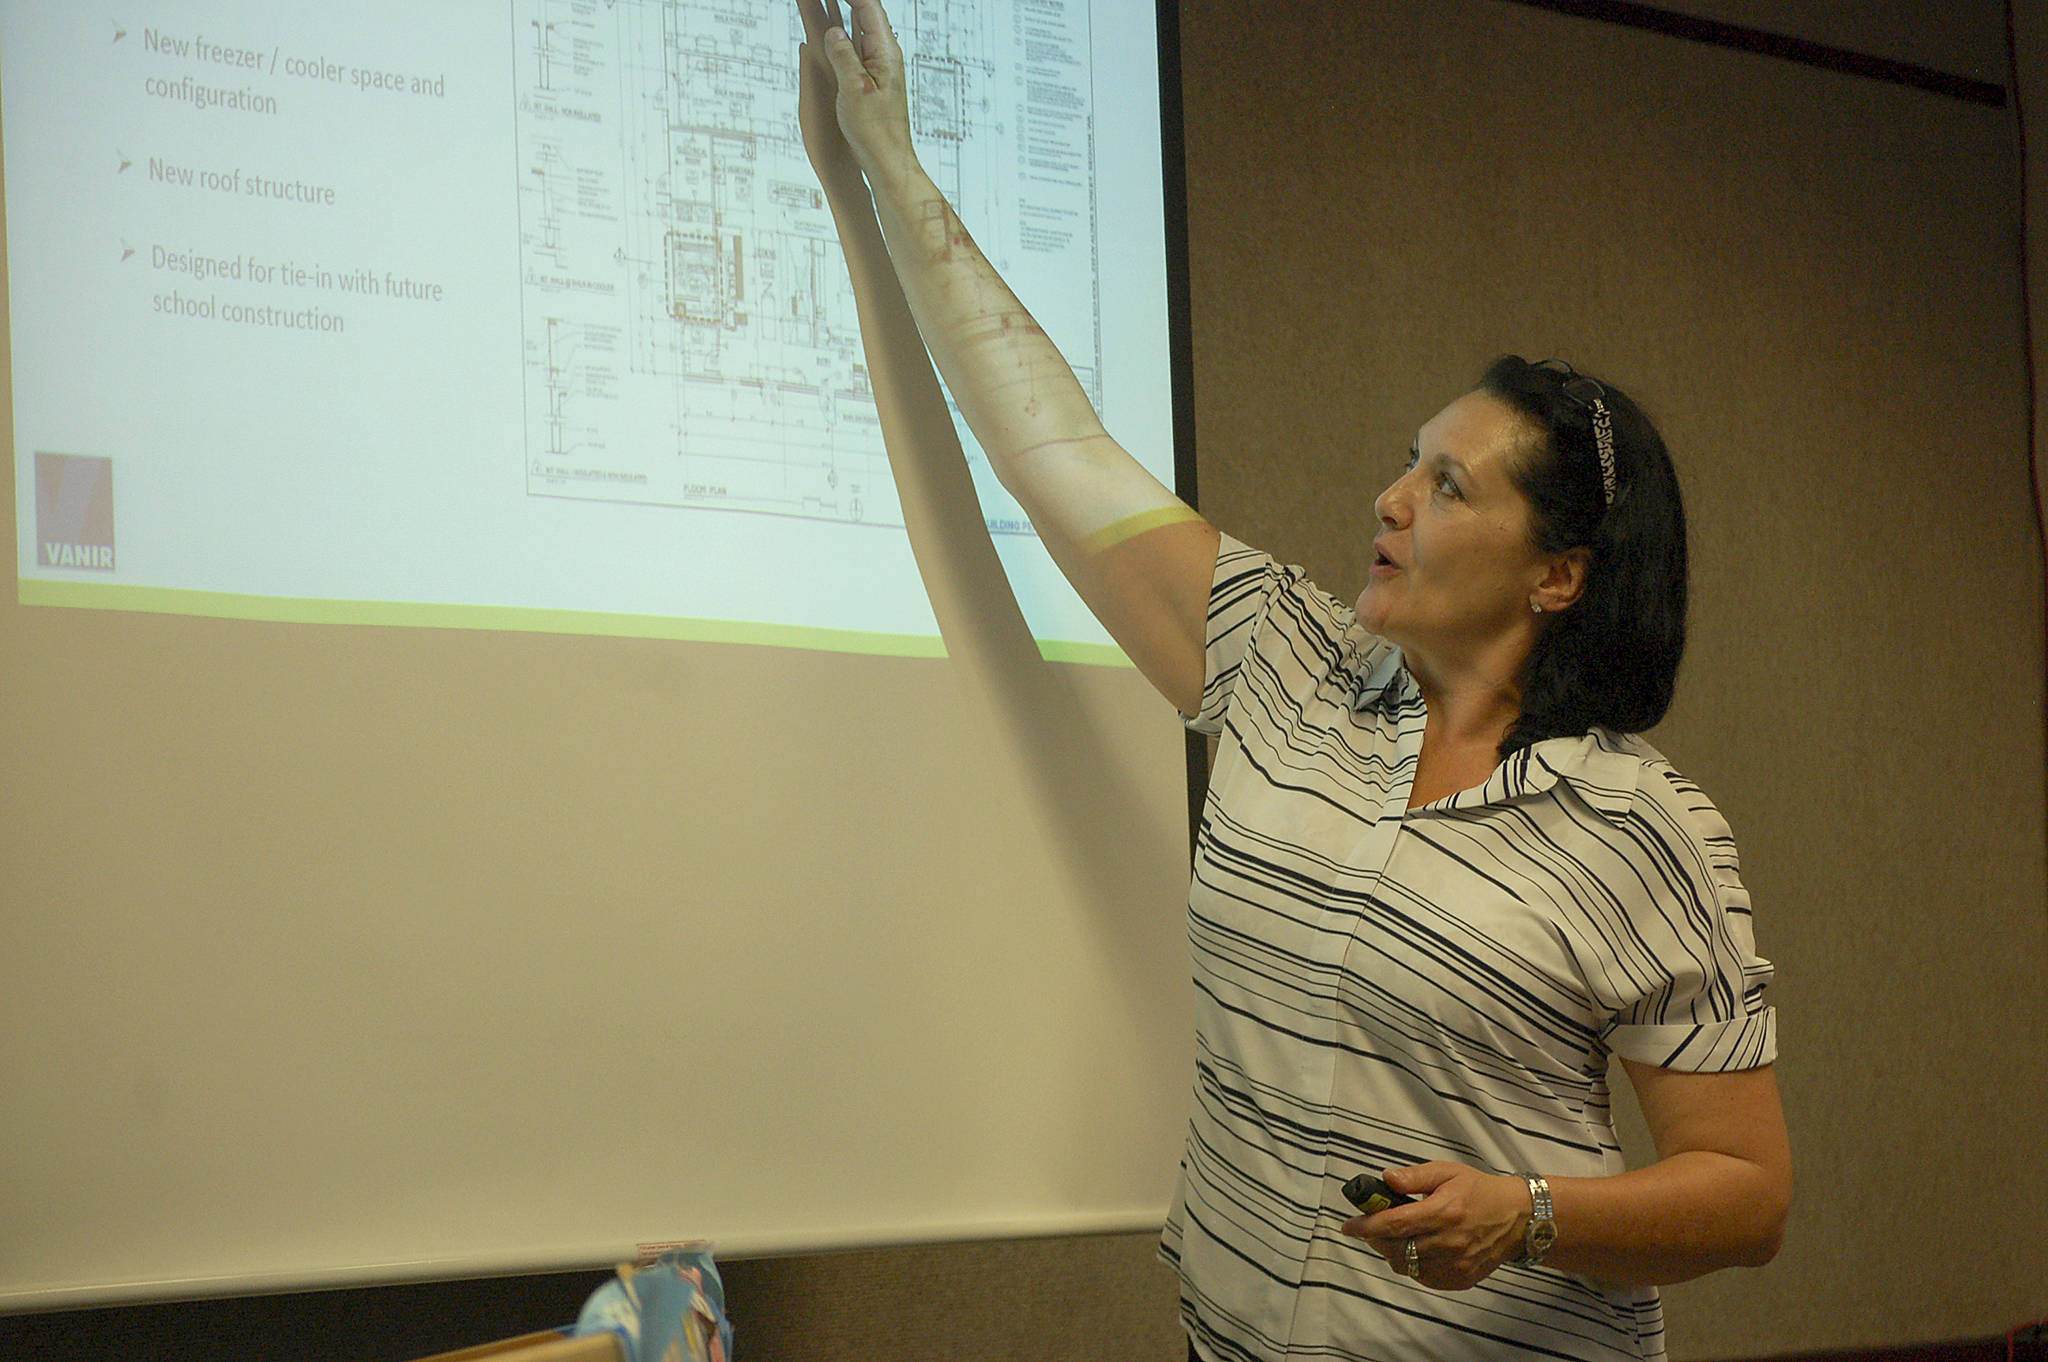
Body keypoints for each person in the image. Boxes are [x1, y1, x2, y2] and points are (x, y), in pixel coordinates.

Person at [793, 3, 1792, 1358]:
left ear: (1558, 574)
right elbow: (1056, 446)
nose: (1390, 499)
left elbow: (1747, 1193)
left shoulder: (1647, 833)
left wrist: (1529, 1211)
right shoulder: (1285, 661)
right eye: (1408, 458)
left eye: (1448, 484)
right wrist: (888, 160)